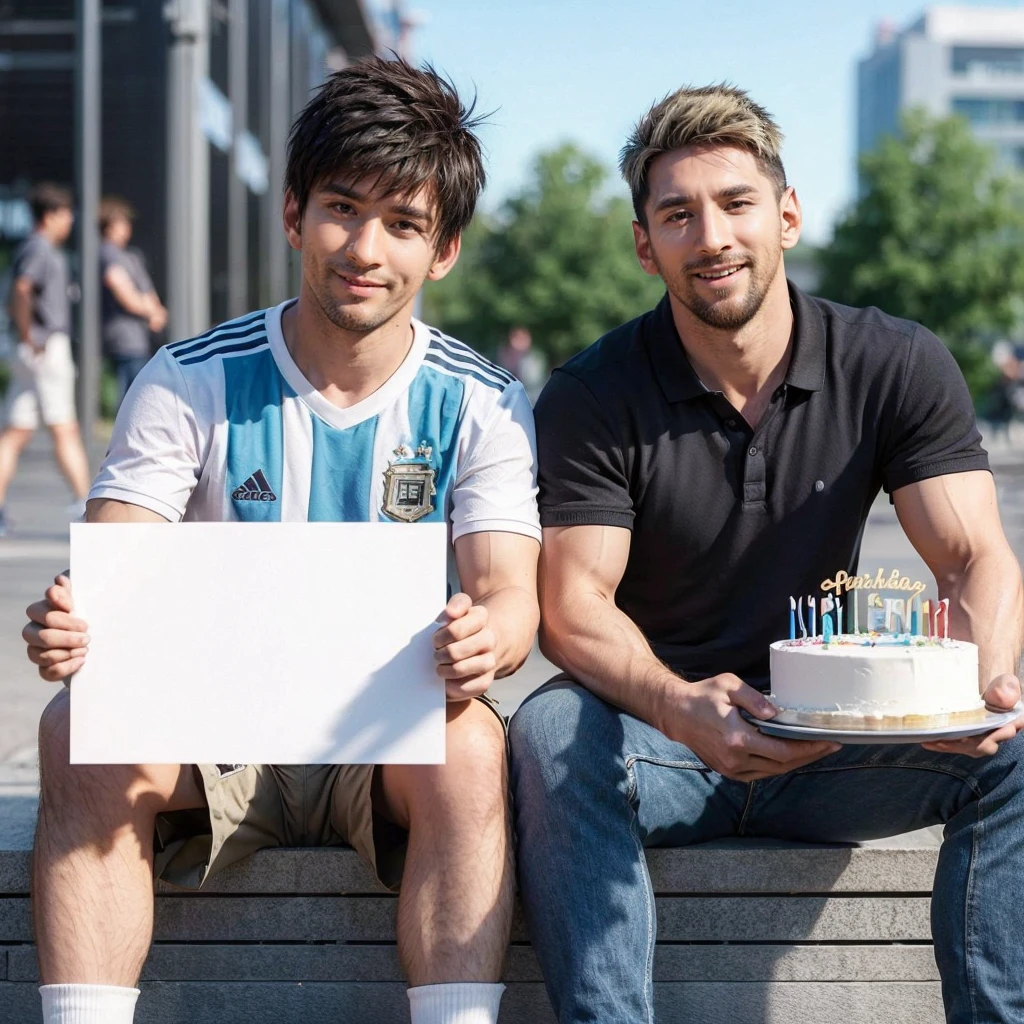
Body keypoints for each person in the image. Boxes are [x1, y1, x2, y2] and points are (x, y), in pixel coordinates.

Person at [22, 57, 540, 1024]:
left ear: (445, 251)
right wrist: (71, 621)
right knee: (74, 726)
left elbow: (512, 594)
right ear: (293, 212)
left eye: (404, 223)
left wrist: (489, 641)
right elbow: (115, 562)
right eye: (343, 207)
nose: (365, 247)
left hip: (382, 737)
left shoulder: (483, 399)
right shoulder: (188, 378)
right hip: (213, 728)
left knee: (473, 747)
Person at [509, 84, 1024, 1023]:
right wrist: (677, 704)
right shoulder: (591, 393)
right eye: (677, 214)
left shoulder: (896, 362)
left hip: (838, 737)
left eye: (737, 203)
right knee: (546, 734)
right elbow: (572, 604)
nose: (712, 236)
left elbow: (975, 556)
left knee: (1018, 746)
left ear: (787, 215)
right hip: (660, 741)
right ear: (643, 244)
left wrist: (972, 690)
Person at [0, 183, 91, 535]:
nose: (69, 222)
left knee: (14, 434)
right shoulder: (40, 250)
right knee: (65, 428)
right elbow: (22, 290)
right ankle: (88, 506)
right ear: (50, 215)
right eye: (66, 214)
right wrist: (30, 336)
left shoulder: (29, 247)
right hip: (45, 347)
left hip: (32, 348)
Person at [99, 196, 166, 408]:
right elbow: (123, 291)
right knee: (133, 399)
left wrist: (154, 310)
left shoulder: (130, 255)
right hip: (124, 338)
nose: (127, 227)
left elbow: (145, 290)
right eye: (121, 222)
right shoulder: (107, 253)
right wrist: (152, 311)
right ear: (108, 226)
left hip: (138, 337)